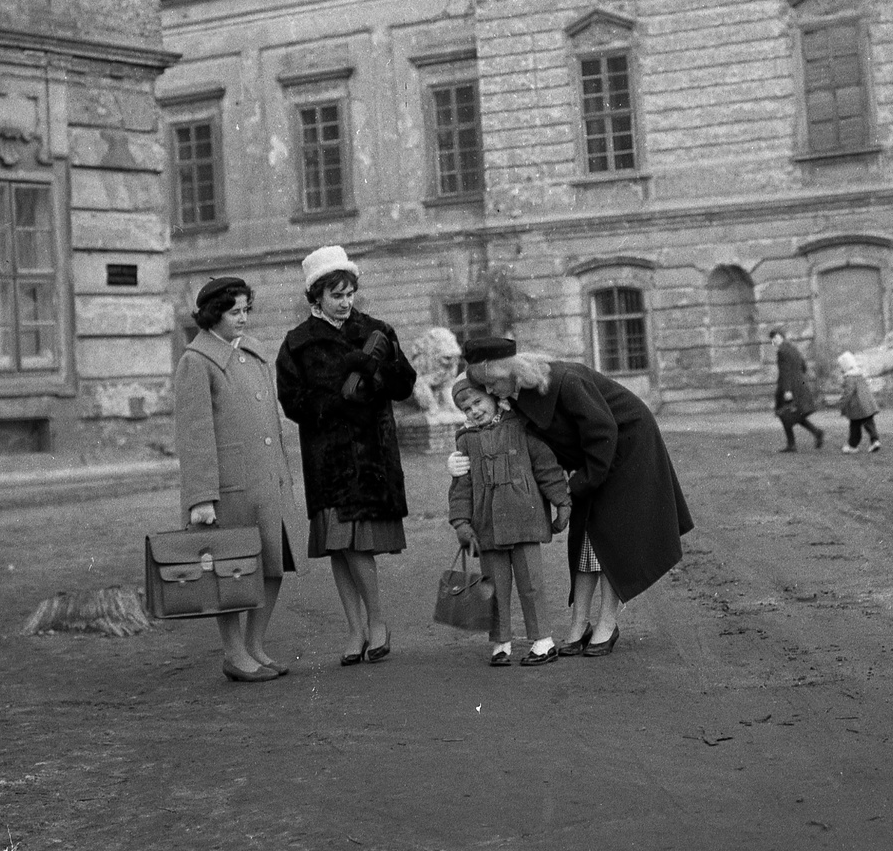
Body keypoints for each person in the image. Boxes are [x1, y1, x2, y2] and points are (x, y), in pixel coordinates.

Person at [459, 338, 693, 658]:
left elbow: (603, 433)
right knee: (583, 537)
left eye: (493, 383)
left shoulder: (566, 381)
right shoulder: (515, 392)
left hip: (626, 449)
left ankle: (606, 624)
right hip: (590, 460)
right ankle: (578, 623)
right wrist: (457, 458)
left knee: (611, 538)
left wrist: (576, 486)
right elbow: (487, 426)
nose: (492, 391)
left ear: (510, 371)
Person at [275, 246, 416, 666]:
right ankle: (356, 630)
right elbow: (292, 402)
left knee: (359, 546)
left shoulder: (376, 331)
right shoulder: (297, 343)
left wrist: (376, 369)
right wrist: (334, 400)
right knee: (340, 546)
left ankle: (376, 624)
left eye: (350, 292)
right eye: (336, 294)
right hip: (328, 458)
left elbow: (405, 384)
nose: (346, 302)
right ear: (316, 296)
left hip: (372, 456)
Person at [173, 277, 305, 683]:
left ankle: (255, 646)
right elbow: (194, 436)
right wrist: (201, 498)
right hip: (228, 490)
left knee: (272, 566)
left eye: (247, 310)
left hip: (268, 484)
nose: (243, 318)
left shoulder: (252, 353)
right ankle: (234, 653)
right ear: (214, 315)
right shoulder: (196, 361)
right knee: (229, 575)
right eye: (235, 312)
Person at [447, 373, 570, 668]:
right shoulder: (465, 442)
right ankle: (501, 642)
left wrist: (561, 501)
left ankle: (543, 640)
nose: (475, 410)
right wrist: (461, 523)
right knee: (494, 587)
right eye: (467, 408)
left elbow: (546, 467)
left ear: (493, 397)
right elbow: (461, 488)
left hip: (524, 520)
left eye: (478, 402)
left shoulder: (520, 427)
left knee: (531, 584)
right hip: (486, 527)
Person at [769, 328, 826, 452]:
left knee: (784, 414)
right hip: (800, 385)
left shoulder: (781, 352)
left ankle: (792, 444)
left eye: (776, 337)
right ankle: (816, 433)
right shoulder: (793, 349)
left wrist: (787, 390)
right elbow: (804, 367)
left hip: (789, 387)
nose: (774, 340)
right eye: (773, 339)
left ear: (782, 337)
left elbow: (785, 372)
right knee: (795, 414)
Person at [835, 351, 882, 453]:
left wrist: (841, 403)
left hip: (857, 408)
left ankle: (853, 446)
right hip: (867, 405)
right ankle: (875, 441)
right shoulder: (859, 375)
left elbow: (848, 393)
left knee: (854, 427)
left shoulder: (849, 378)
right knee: (870, 424)